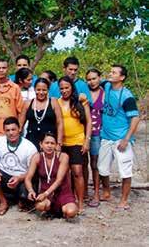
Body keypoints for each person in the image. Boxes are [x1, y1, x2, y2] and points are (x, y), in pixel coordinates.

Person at [98, 65, 140, 210]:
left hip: (121, 138)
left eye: (114, 72)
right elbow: (95, 84)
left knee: (125, 171)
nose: (110, 74)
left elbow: (135, 118)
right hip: (106, 136)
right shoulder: (107, 86)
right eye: (110, 71)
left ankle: (124, 200)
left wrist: (127, 139)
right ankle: (106, 192)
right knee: (102, 168)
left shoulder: (127, 96)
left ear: (121, 77)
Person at [0, 117, 38, 215]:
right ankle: (3, 202)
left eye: (13, 129)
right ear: (4, 131)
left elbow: (32, 172)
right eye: (7, 130)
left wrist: (19, 178)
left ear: (19, 129)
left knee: (25, 201)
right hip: (4, 175)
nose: (11, 133)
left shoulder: (29, 147)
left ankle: (19, 199)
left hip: (21, 178)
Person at [57, 76, 92, 213]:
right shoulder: (56, 102)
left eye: (67, 87)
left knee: (77, 171)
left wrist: (87, 140)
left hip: (77, 140)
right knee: (65, 173)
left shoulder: (81, 101)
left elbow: (89, 122)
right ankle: (68, 199)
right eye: (62, 88)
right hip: (62, 142)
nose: (64, 90)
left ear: (72, 87)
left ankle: (81, 202)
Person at [25, 133, 78, 219]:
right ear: (41, 144)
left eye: (52, 143)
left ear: (56, 145)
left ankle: (61, 209)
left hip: (62, 192)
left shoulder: (63, 157)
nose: (49, 146)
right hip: (45, 192)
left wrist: (46, 194)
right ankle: (51, 209)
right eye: (47, 143)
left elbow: (59, 180)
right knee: (40, 206)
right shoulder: (37, 157)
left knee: (71, 212)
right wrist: (31, 191)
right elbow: (28, 178)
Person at [19, 78, 63, 151]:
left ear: (48, 90)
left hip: (49, 142)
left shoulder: (53, 102)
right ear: (34, 89)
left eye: (44, 90)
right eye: (38, 90)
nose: (41, 92)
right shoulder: (28, 103)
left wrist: (59, 143)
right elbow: (20, 124)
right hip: (31, 140)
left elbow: (59, 123)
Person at [85, 68, 104, 207]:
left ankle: (97, 193)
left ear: (99, 78)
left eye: (94, 78)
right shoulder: (84, 93)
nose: (92, 82)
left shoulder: (105, 92)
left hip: (98, 133)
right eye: (89, 79)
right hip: (84, 132)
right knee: (82, 163)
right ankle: (84, 191)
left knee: (95, 163)